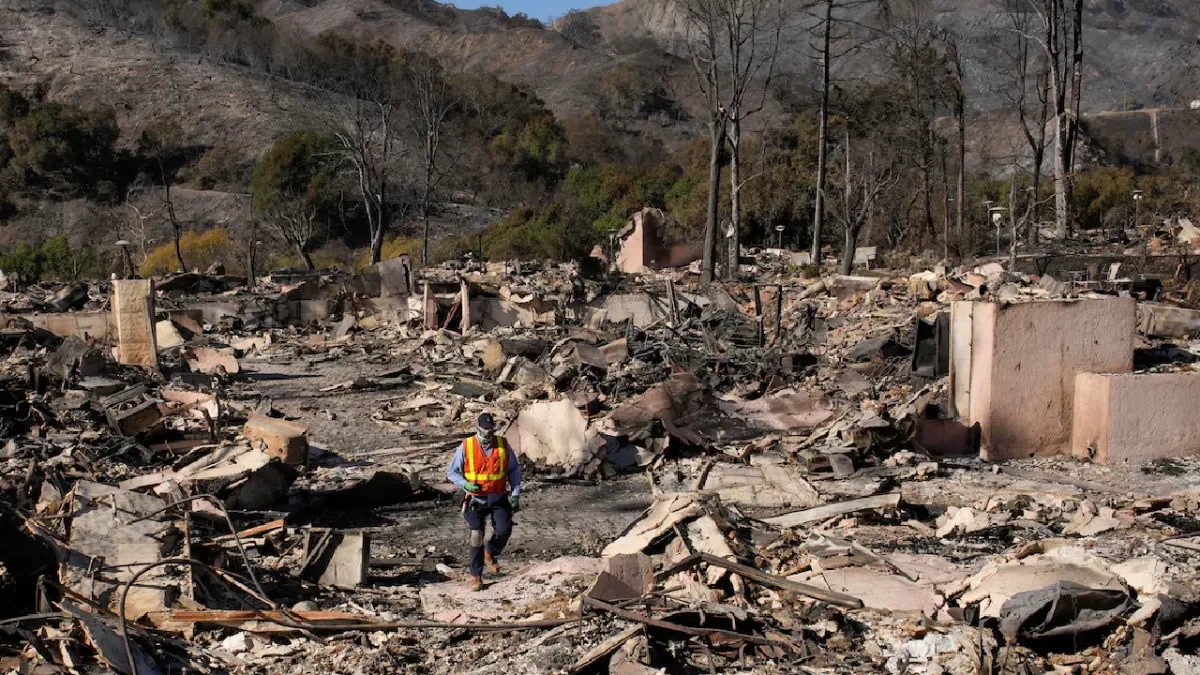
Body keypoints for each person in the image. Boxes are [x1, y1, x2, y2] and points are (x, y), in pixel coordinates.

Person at [445, 412, 522, 591]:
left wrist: (516, 494)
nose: (487, 435)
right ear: (477, 429)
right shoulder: (466, 446)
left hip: (497, 496)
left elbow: (514, 470)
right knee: (476, 535)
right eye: (484, 431)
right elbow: (452, 472)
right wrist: (466, 485)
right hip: (475, 499)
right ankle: (476, 576)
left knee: (504, 530)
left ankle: (490, 551)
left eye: (490, 431)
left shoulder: (503, 445)